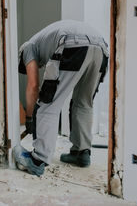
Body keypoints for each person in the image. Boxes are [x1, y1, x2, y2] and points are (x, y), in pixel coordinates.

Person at [13, 20, 109, 176]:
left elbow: (33, 85)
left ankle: (38, 160)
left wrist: (30, 118)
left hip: (73, 44)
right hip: (101, 48)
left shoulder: (27, 47)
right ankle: (81, 152)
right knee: (84, 103)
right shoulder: (42, 40)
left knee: (48, 103)